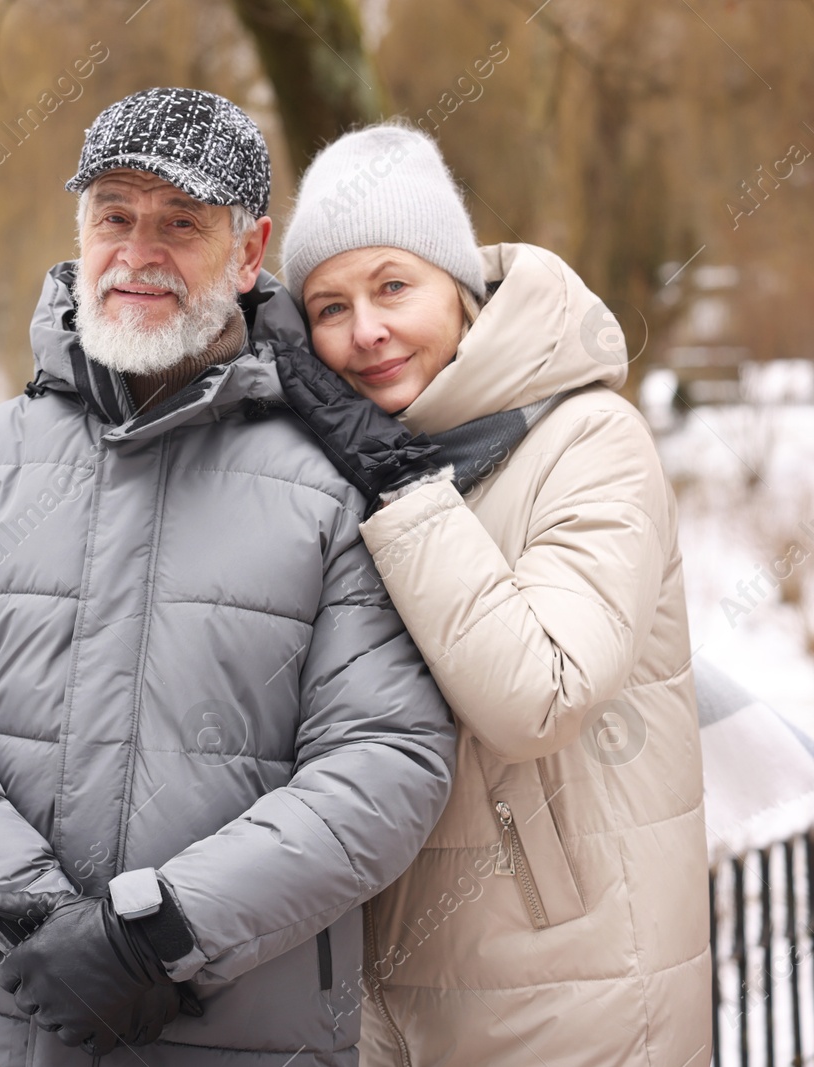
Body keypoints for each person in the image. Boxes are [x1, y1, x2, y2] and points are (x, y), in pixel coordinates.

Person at [0, 88, 456, 1065]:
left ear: (249, 253)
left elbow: (385, 759)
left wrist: (157, 933)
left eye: (180, 223)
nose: (138, 250)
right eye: (113, 216)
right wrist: (31, 916)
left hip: (230, 1033)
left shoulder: (334, 492)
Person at [272, 121, 711, 1065]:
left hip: (576, 988)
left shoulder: (589, 439)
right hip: (388, 996)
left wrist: (401, 489)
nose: (367, 331)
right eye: (329, 306)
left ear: (461, 289)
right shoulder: (348, 455)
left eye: (394, 286)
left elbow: (539, 693)